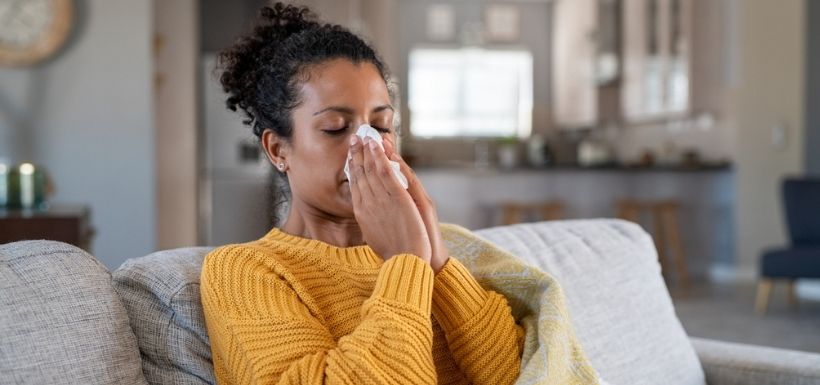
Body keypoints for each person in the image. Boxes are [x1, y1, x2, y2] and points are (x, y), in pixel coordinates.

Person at [200, 3, 595, 385]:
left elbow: (516, 376)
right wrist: (406, 263)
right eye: (336, 128)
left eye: (383, 126)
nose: (367, 146)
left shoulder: (435, 249)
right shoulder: (245, 272)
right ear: (277, 149)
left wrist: (438, 263)